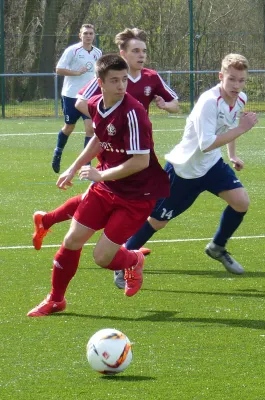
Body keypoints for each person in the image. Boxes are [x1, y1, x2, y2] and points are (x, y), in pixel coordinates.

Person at [27, 54, 170, 317]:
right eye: (114, 80)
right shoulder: (96, 104)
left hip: (137, 195)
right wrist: (73, 167)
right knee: (72, 240)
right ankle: (56, 300)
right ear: (100, 83)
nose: (121, 85)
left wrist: (100, 175)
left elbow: (140, 161)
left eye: (124, 79)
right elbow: (99, 139)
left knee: (102, 258)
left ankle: (133, 259)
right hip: (106, 187)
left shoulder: (134, 112)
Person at [113, 53, 258, 289]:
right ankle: (123, 261)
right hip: (184, 170)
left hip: (211, 166)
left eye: (241, 80)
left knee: (241, 202)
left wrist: (232, 154)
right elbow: (206, 143)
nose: (236, 85)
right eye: (232, 79)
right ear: (221, 76)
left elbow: (228, 128)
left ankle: (217, 247)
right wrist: (242, 129)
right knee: (157, 221)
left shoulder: (240, 98)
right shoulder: (208, 103)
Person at [32, 27, 179, 252]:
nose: (141, 55)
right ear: (123, 54)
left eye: (144, 51)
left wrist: (165, 105)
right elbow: (81, 101)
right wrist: (108, 124)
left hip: (137, 145)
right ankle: (123, 255)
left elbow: (176, 105)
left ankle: (49, 221)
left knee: (102, 197)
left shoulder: (151, 77)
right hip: (112, 148)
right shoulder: (108, 76)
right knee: (102, 197)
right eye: (136, 50)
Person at [52, 24, 102, 173]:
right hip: (71, 96)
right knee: (69, 127)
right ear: (80, 35)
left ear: (94, 35)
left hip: (88, 97)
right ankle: (58, 152)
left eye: (91, 33)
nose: (88, 36)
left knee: (90, 129)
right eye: (85, 33)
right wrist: (76, 72)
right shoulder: (72, 51)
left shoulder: (98, 53)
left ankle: (87, 164)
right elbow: (58, 69)